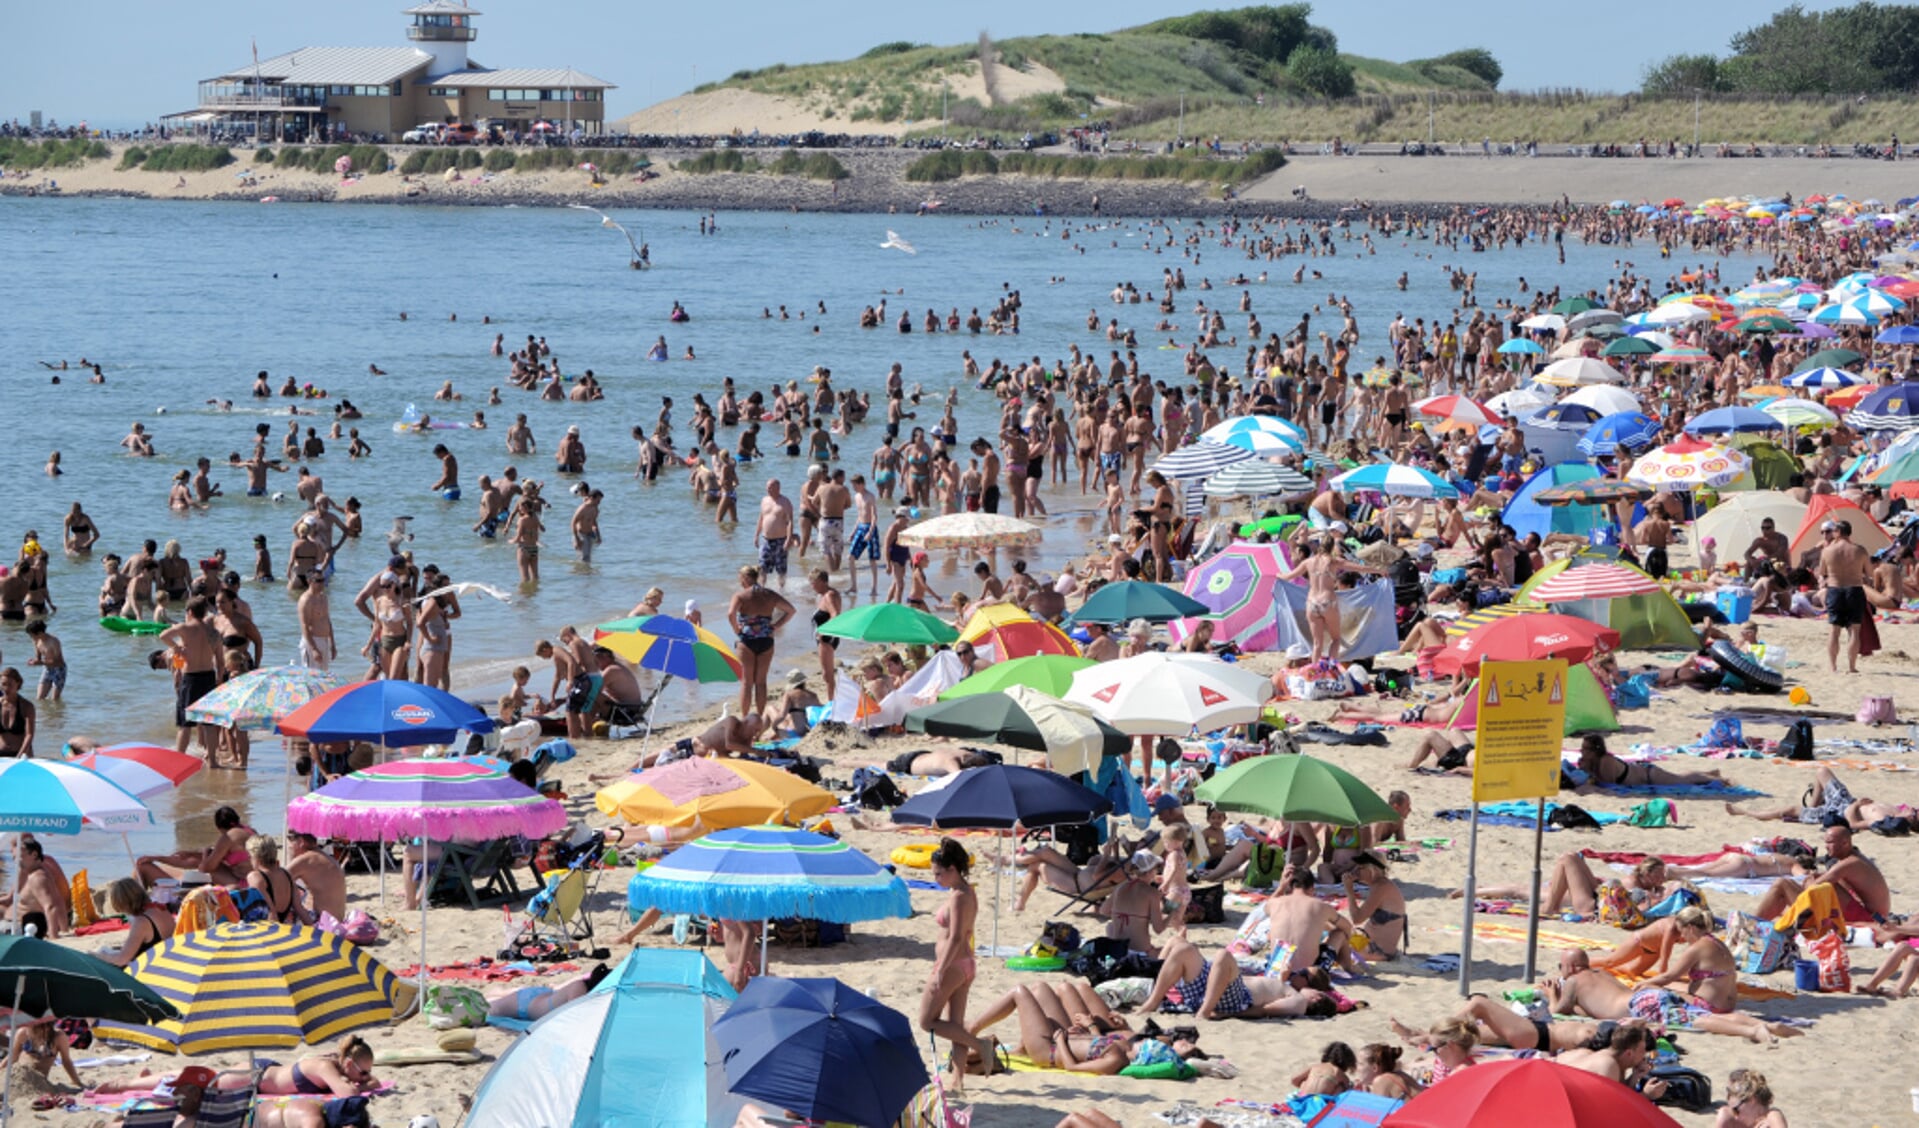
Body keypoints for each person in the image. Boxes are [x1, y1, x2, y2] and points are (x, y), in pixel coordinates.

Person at [921, 839, 994, 1090]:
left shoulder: (959, 896)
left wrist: (940, 968)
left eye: (939, 873)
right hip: (964, 964)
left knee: (926, 1021)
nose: (936, 878)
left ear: (953, 869)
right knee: (954, 1024)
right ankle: (958, 1080)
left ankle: (981, 1045)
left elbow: (956, 937)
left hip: (953, 965)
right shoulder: (965, 891)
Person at [1752, 821, 1891, 926]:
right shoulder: (1855, 858)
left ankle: (1751, 925)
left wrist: (1809, 881)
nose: (1826, 846)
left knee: (1781, 885)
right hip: (1871, 915)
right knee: (1786, 900)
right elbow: (1831, 880)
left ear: (1845, 843)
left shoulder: (1849, 863)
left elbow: (1813, 887)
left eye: (1830, 842)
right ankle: (1755, 923)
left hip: (1868, 920)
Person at [727, 565, 794, 719]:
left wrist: (736, 629)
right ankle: (759, 718)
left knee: (746, 683)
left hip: (747, 640)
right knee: (761, 682)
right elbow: (791, 610)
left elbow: (730, 613)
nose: (740, 582)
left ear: (746, 578)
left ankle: (745, 719)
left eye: (740, 579)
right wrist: (776, 626)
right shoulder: (769, 594)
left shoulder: (740, 596)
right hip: (766, 639)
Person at [137, 805, 255, 887]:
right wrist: (192, 853)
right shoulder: (248, 830)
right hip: (252, 878)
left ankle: (157, 861)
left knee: (204, 862)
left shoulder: (228, 837)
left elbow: (205, 868)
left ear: (219, 827)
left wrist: (205, 853)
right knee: (198, 857)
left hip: (242, 883)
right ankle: (159, 859)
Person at [1818, 518, 1872, 672]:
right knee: (1854, 630)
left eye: (1834, 530)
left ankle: (1833, 666)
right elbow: (1869, 573)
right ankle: (1852, 667)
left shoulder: (1827, 551)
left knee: (1834, 630)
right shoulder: (1860, 550)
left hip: (1835, 590)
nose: (1832, 533)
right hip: (1854, 589)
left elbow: (1822, 573)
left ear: (1839, 532)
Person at [487, 964, 612, 1023]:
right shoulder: (579, 989)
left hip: (540, 996)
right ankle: (494, 994)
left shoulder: (580, 985)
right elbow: (575, 1020)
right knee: (485, 1010)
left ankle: (497, 993)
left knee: (495, 1001)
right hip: (527, 1004)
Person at [0, 837, 69, 936]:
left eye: (20, 856)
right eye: (14, 857)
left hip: (18, 927)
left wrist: (53, 935)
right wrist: (64, 929)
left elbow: (50, 906)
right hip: (14, 922)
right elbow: (58, 900)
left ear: (34, 855)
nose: (16, 861)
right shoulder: (36, 873)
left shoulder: (38, 878)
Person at [101, 877, 175, 967]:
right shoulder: (161, 909)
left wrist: (101, 956)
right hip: (168, 962)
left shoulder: (142, 921)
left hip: (153, 969)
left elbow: (122, 959)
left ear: (124, 904)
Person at [285, 830, 347, 924]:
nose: (288, 846)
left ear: (301, 842)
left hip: (319, 923)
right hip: (336, 922)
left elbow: (277, 880)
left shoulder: (305, 860)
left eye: (289, 838)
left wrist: (291, 857)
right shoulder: (328, 858)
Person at [246, 835, 300, 923]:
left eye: (249, 856)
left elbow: (272, 914)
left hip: (268, 931)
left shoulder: (255, 877)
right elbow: (299, 909)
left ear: (256, 856)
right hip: (284, 927)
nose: (249, 859)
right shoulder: (287, 874)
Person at [1717, 1069, 1788, 1128]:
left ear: (1752, 1100)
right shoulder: (1727, 1116)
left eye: (1736, 1110)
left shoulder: (1773, 1118)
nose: (1736, 1117)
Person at [0, 667, 35, 758]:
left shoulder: (27, 706)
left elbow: (29, 735)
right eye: (3, 684)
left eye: (10, 685)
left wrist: (20, 756)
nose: (6, 688)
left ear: (18, 684)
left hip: (21, 754)